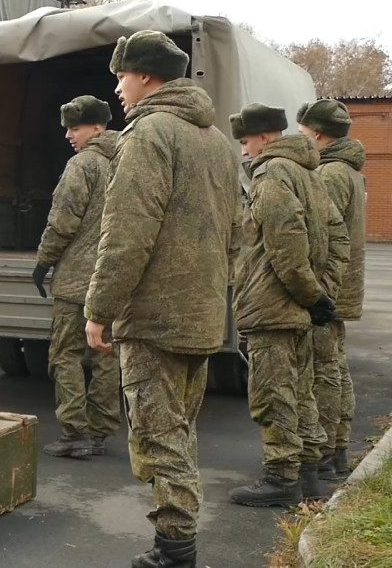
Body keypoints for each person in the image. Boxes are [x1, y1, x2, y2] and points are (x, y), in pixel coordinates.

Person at [83, 30, 241, 568]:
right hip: (200, 316)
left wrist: (98, 310)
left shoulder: (149, 135)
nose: (119, 89)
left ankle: (176, 549)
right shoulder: (218, 142)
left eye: (122, 77)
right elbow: (236, 232)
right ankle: (176, 543)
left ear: (146, 76)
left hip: (153, 319)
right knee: (178, 430)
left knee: (159, 436)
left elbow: (126, 233)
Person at [227, 104, 349, 508]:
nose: (244, 151)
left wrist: (312, 294)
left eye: (245, 141)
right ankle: (309, 475)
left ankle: (281, 478)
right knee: (301, 393)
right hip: (297, 307)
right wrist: (321, 292)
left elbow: (285, 243)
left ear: (263, 137)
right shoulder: (309, 173)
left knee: (273, 394)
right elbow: (337, 236)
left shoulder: (272, 173)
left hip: (273, 307)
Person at [33, 95, 121, 458]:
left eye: (75, 127)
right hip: (115, 279)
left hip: (75, 283)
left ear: (97, 127)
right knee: (105, 356)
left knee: (65, 355)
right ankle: (100, 432)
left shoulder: (81, 165)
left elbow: (62, 221)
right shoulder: (127, 160)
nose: (69, 134)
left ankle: (74, 432)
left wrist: (43, 262)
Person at [296, 99, 366, 482]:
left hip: (328, 291)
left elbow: (323, 237)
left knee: (323, 371)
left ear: (318, 133)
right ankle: (336, 450)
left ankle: (324, 453)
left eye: (304, 132)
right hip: (341, 288)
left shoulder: (331, 173)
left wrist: (312, 290)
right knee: (335, 367)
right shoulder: (349, 171)